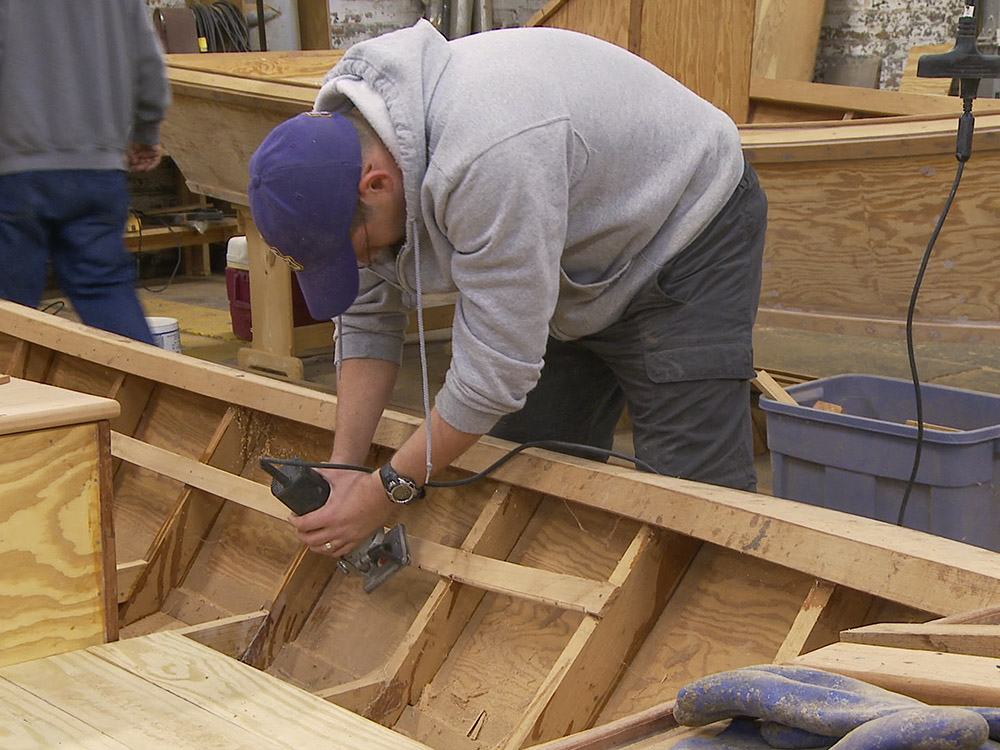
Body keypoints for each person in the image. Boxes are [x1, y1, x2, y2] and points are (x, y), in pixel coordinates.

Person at [247, 19, 767, 558]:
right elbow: (367, 317)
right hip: (560, 240)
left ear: (375, 184)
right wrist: (346, 469)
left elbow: (492, 378)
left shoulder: (483, 155)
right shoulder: (337, 145)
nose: (361, 262)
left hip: (684, 231)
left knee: (694, 503)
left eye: (353, 246)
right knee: (525, 468)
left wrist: (385, 493)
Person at [0, 0, 171, 344]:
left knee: (9, 315)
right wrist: (145, 131)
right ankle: (143, 393)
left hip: (15, 170)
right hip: (97, 171)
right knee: (106, 291)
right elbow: (147, 59)